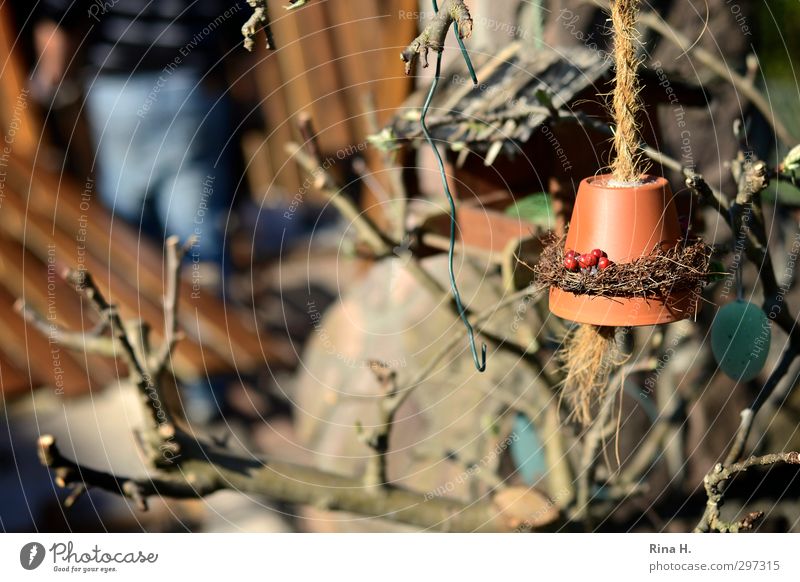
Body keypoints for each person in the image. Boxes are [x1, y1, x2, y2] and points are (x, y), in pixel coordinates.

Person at [33, 0, 245, 289]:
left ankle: (148, 317)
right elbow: (240, 19)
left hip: (119, 91)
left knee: (129, 226)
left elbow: (58, 15)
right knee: (196, 220)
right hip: (191, 85)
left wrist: (49, 81)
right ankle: (214, 319)